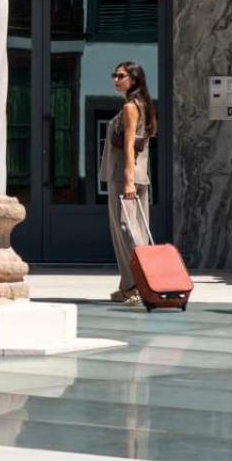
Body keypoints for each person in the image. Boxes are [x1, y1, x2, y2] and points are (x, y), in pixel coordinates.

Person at [103, 60, 158, 305]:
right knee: (137, 230)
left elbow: (127, 146)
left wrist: (127, 179)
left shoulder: (130, 108)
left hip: (125, 175)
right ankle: (129, 285)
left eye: (121, 76)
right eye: (114, 75)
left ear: (134, 79)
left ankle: (138, 284)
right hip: (141, 174)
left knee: (125, 229)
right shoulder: (144, 105)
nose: (116, 79)